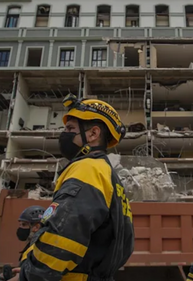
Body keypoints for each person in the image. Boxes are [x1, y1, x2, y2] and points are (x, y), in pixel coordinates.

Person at [19, 94, 135, 281]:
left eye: (70, 128)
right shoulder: (107, 175)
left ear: (93, 134)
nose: (64, 134)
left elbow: (64, 236)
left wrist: (28, 275)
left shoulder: (88, 169)